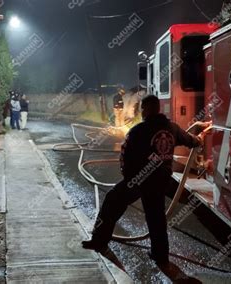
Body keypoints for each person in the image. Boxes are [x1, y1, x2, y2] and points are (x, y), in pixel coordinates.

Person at [82, 95, 209, 266]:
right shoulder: (172, 128)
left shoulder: (139, 130)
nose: (141, 111)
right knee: (156, 218)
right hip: (160, 180)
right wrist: (202, 134)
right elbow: (192, 142)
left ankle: (98, 241)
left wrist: (128, 177)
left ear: (148, 109)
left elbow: (125, 154)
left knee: (112, 201)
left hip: (138, 180)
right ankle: (160, 256)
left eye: (142, 108)